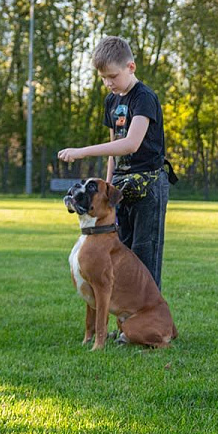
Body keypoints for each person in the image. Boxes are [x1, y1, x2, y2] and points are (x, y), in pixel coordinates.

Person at [58, 36, 171, 290]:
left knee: (144, 256)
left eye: (113, 76)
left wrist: (83, 152)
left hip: (148, 187)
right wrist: (108, 188)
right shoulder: (111, 101)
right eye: (103, 78)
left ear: (131, 67)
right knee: (119, 257)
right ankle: (124, 324)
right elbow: (114, 151)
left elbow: (130, 144)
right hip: (120, 188)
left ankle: (147, 323)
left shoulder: (144, 98)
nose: (108, 83)